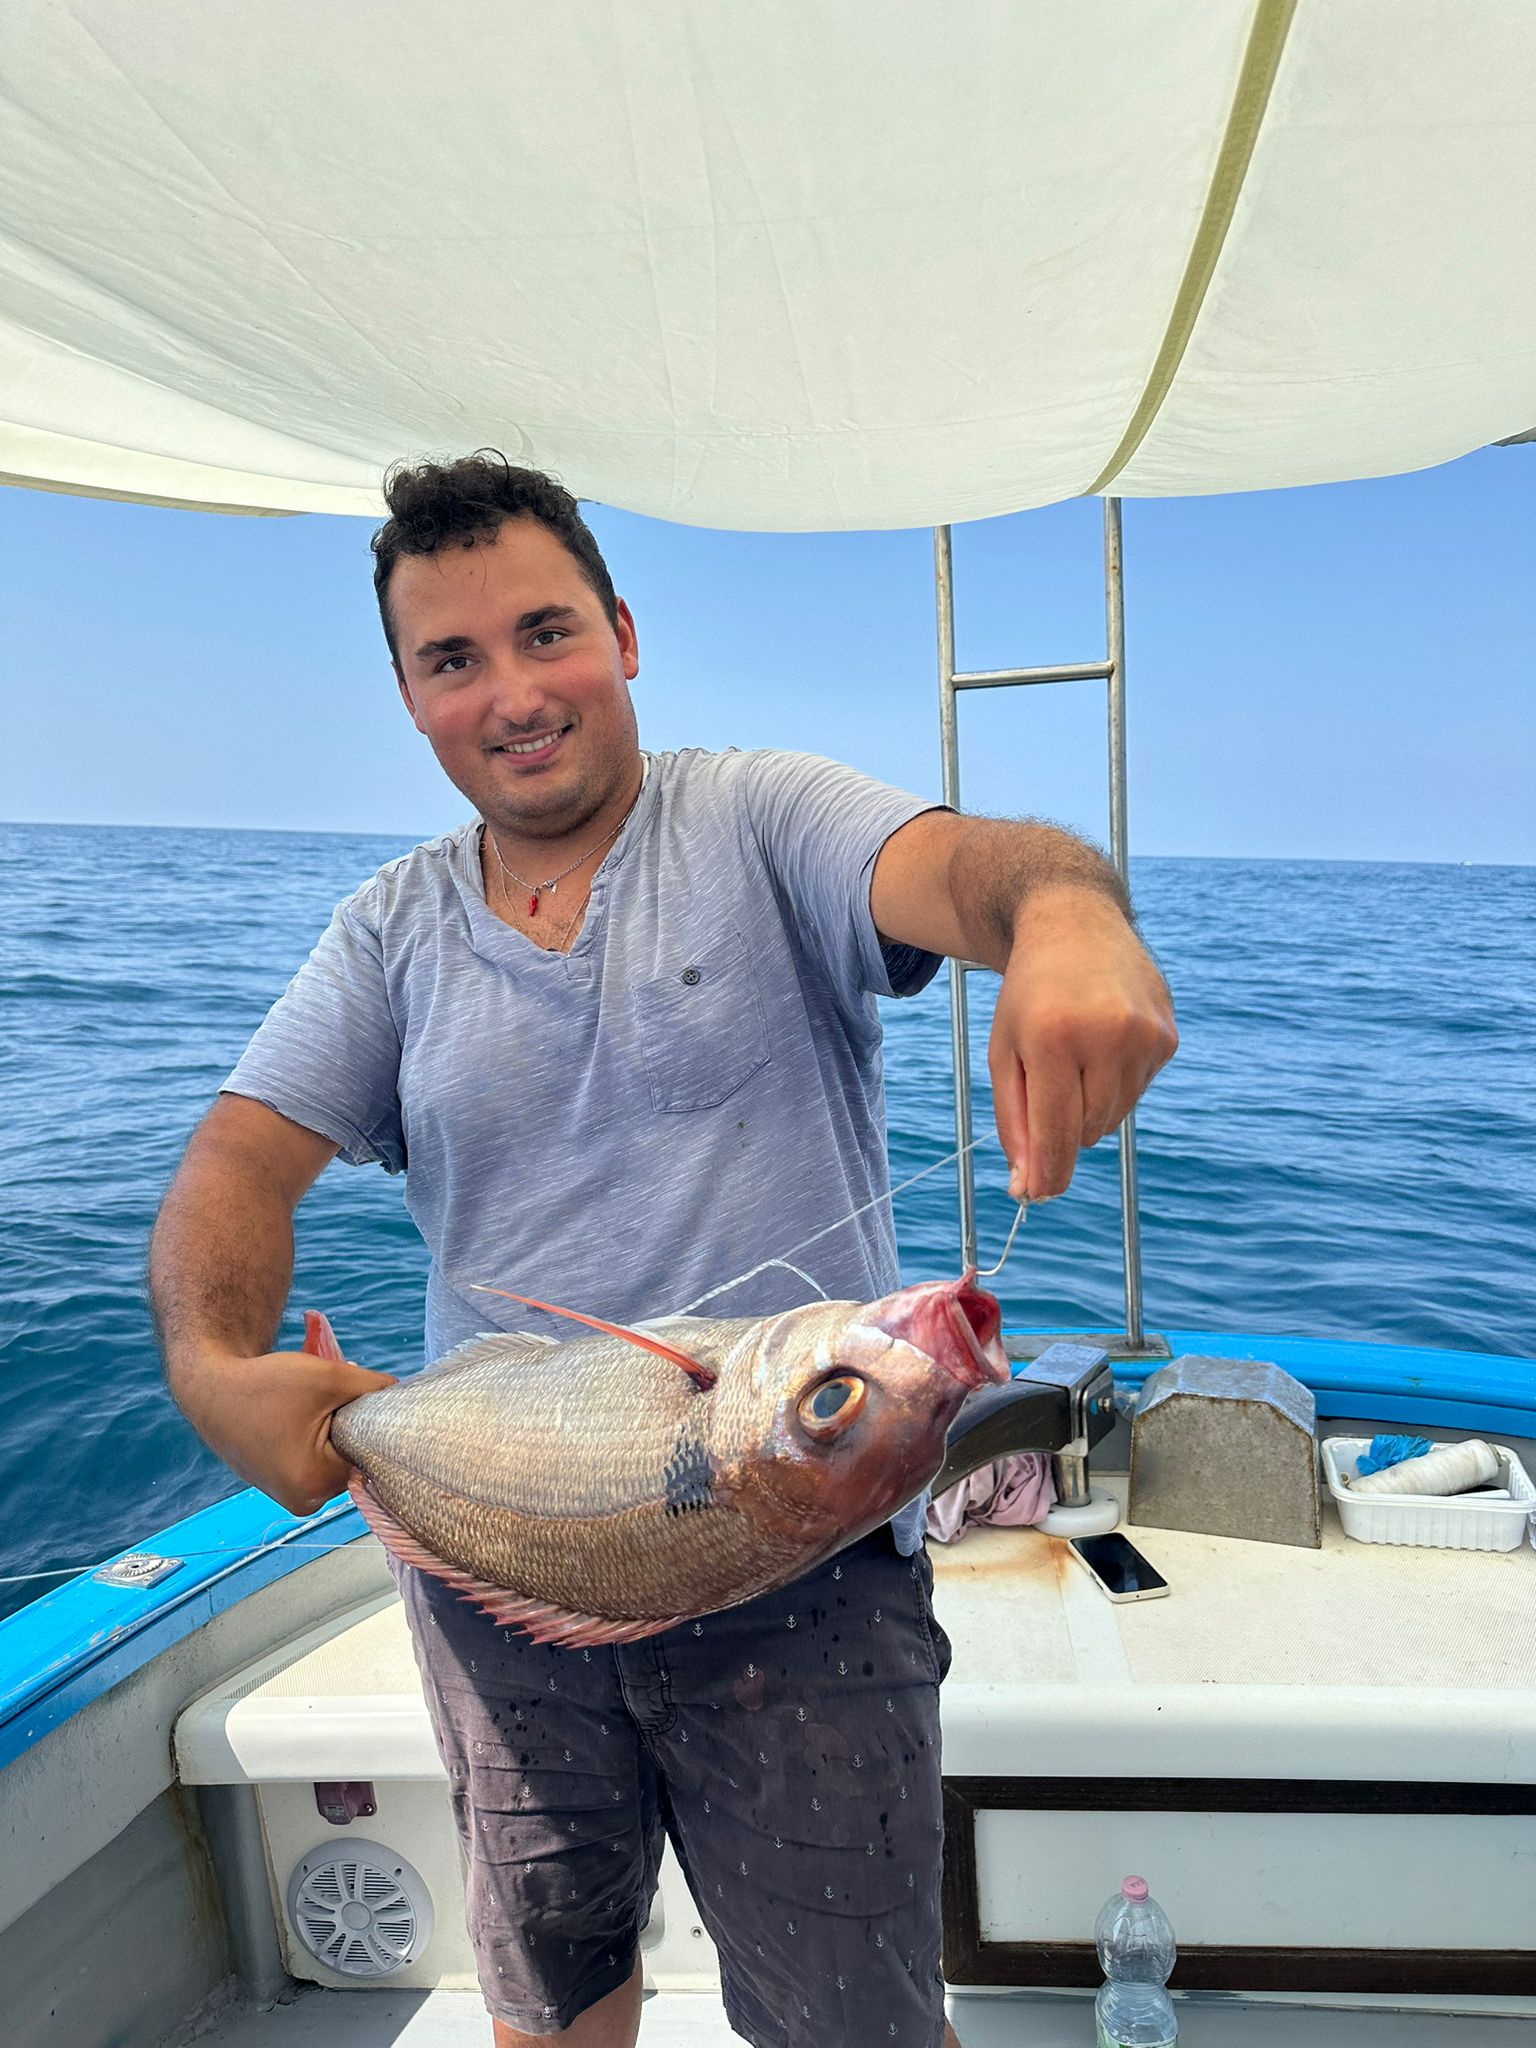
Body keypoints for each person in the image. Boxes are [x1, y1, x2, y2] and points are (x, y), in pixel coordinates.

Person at [150, 455, 1176, 2048]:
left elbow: (971, 868)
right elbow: (236, 1160)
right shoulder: (389, 931)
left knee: (856, 2027)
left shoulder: (760, 817)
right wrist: (213, 1365)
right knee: (551, 2001)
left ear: (624, 635)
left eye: (546, 632)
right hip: (504, 1574)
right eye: (453, 659)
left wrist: (1065, 916)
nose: (513, 693)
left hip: (807, 1585)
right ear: (411, 699)